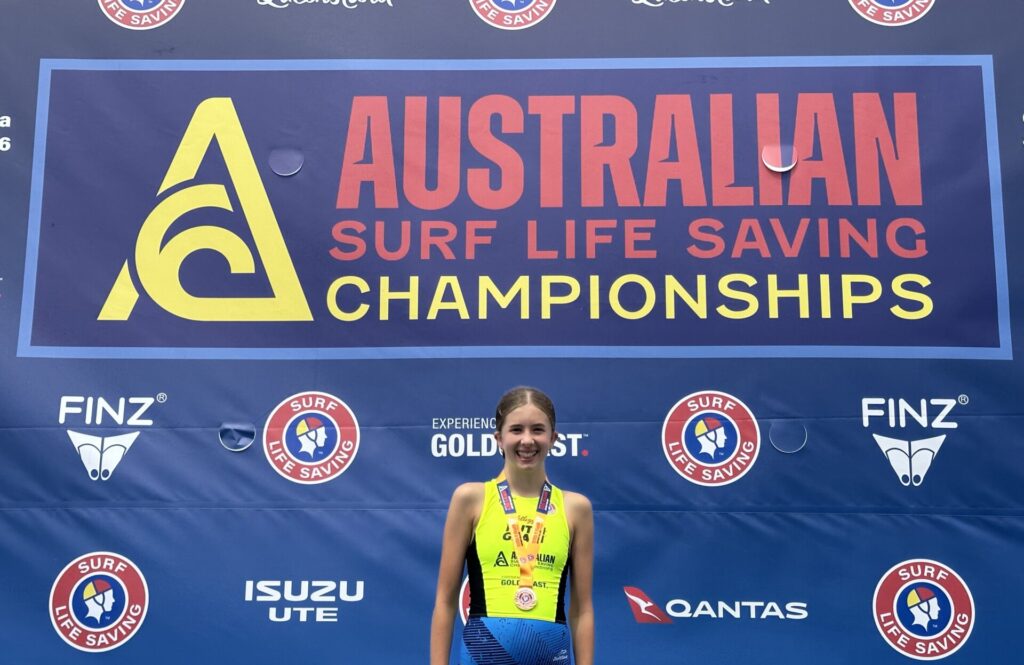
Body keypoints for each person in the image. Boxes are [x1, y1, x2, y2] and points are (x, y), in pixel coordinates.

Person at [431, 387, 594, 665]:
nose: (527, 440)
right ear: (499, 438)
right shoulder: (471, 499)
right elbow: (445, 603)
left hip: (550, 653)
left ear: (553, 438)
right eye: (516, 429)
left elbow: (582, 610)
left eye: (538, 430)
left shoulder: (575, 508)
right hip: (484, 652)